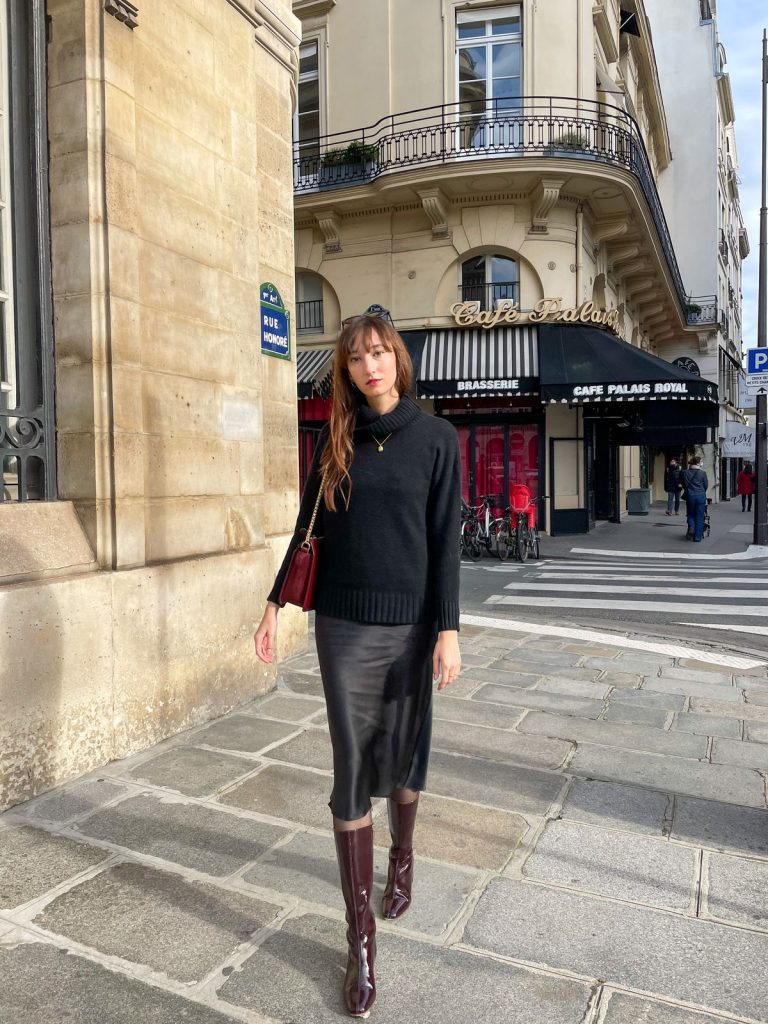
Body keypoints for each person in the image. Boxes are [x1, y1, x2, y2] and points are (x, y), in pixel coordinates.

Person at [253, 310, 461, 1019]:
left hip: (409, 628)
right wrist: (274, 604)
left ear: (397, 360)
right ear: (343, 370)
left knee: (400, 761)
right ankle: (360, 939)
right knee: (350, 768)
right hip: (340, 624)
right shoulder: (333, 439)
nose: (370, 366)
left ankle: (401, 857)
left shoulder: (437, 439)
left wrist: (449, 631)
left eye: (379, 353)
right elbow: (305, 527)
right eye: (356, 358)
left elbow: (445, 544)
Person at [681, 455, 709, 542]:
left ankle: (691, 527)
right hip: (701, 496)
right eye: (701, 461)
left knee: (690, 514)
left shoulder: (685, 472)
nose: (702, 463)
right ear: (698, 463)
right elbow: (705, 485)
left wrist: (689, 490)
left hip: (690, 496)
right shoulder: (702, 473)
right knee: (700, 516)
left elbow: (684, 485)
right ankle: (697, 537)